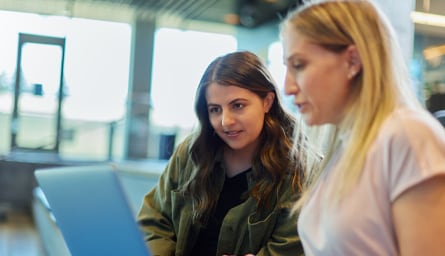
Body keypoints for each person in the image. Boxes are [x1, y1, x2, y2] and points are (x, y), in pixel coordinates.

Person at [280, 0, 445, 255]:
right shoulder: (346, 147)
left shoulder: (407, 135)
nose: (288, 87)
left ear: (352, 61)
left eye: (299, 66)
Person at [137, 51, 314, 255]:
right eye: (215, 109)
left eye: (237, 106)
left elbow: (290, 247)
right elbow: (154, 222)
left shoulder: (298, 168)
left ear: (267, 102)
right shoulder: (192, 153)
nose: (225, 121)